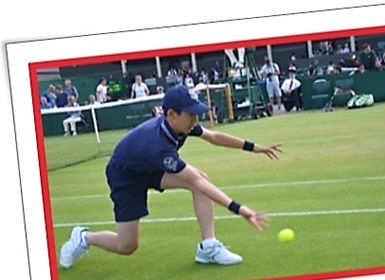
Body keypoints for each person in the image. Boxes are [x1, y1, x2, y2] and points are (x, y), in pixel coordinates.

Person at [59, 85, 282, 269]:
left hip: (147, 166)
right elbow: (196, 181)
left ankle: (208, 247)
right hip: (125, 177)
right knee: (127, 245)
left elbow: (214, 136)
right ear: (172, 114)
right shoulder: (158, 146)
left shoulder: (182, 125)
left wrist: (256, 148)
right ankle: (83, 237)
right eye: (190, 114)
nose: (195, 119)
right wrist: (240, 209)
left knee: (199, 179)